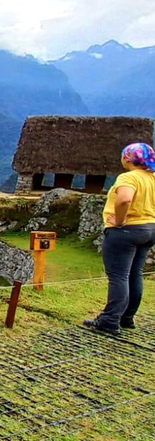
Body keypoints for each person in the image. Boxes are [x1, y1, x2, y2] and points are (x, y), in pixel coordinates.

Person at [85, 142, 155, 336]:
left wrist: (119, 220)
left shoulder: (129, 177)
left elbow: (124, 199)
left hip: (126, 231)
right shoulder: (152, 178)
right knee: (135, 273)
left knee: (118, 276)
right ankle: (127, 318)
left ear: (128, 158)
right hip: (149, 229)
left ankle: (109, 320)